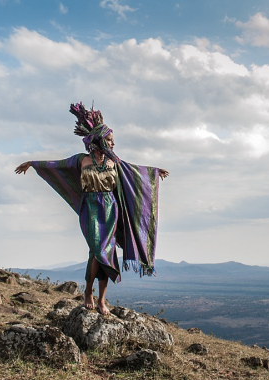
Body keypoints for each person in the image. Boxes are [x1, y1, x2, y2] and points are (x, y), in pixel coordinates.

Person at [15, 102, 169, 315]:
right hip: (90, 208)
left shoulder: (115, 163)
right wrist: (33, 163)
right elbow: (56, 165)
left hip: (110, 209)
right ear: (98, 139)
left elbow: (135, 172)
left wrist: (153, 172)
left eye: (113, 141)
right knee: (98, 250)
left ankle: (101, 299)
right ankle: (89, 292)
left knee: (106, 252)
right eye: (109, 140)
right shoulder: (81, 160)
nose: (112, 145)